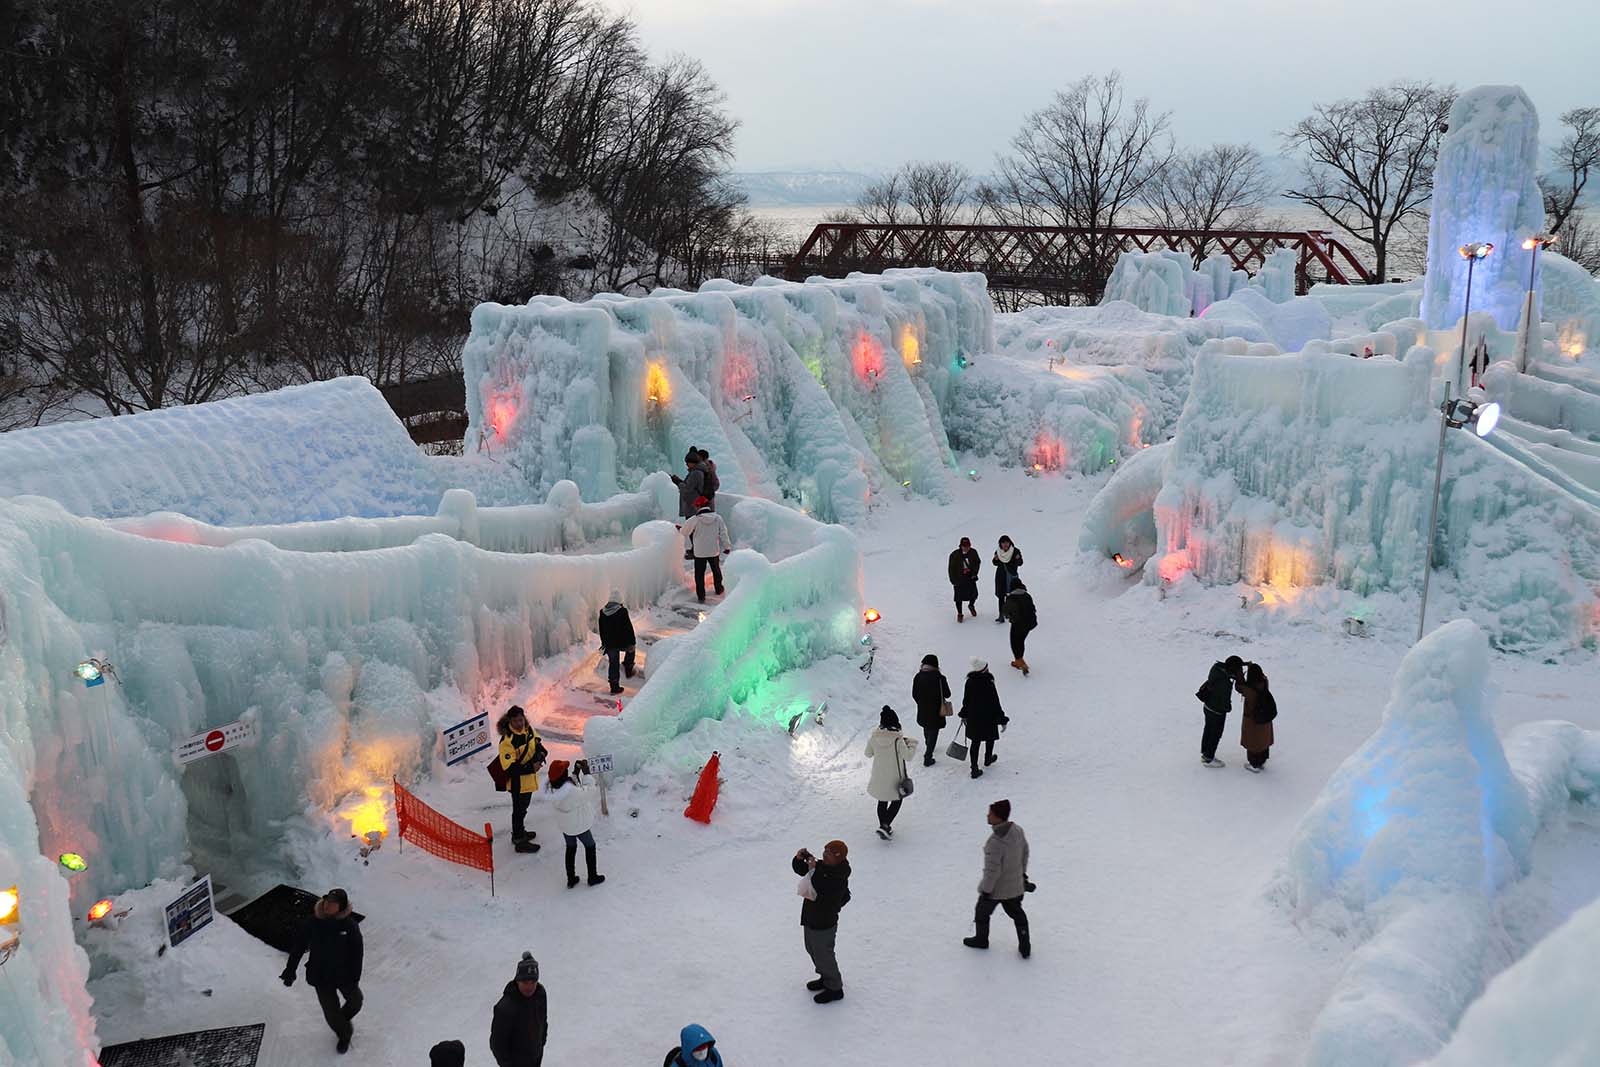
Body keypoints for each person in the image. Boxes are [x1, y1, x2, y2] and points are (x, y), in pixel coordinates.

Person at [281, 888, 364, 1055]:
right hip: (320, 975)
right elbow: (298, 948)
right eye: (327, 901)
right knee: (331, 1012)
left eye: (333, 903)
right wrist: (290, 971)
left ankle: (340, 1021)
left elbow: (357, 952)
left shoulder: (349, 925)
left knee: (356, 1002)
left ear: (341, 907)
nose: (327, 905)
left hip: (344, 975)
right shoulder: (313, 923)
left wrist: (354, 977)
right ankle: (344, 1034)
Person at [962, 799, 1031, 959]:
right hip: (1015, 886)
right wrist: (1022, 874)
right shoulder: (1017, 830)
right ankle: (1025, 946)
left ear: (998, 817)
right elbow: (1025, 852)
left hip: (997, 889)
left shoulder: (995, 843)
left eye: (990, 814)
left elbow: (992, 872)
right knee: (1018, 914)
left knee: (981, 912)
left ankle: (981, 940)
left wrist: (986, 891)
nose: (987, 816)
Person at [791, 839, 851, 1003]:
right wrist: (799, 859)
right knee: (812, 949)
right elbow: (802, 870)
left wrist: (813, 869)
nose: (824, 854)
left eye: (829, 853)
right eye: (824, 850)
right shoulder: (823, 866)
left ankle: (835, 988)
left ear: (837, 857)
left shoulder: (839, 877)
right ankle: (826, 978)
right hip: (811, 917)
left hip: (824, 923)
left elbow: (821, 887)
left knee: (824, 954)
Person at [547, 759, 605, 888]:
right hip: (579, 826)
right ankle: (592, 877)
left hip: (566, 826)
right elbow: (589, 791)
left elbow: (570, 786)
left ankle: (571, 878)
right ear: (563, 776)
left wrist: (575, 773)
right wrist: (587, 774)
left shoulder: (553, 788)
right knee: (590, 846)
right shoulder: (571, 793)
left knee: (571, 848)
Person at [865, 706, 918, 840]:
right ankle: (885, 826)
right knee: (897, 800)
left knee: (882, 801)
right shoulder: (897, 740)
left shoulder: (874, 737)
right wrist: (912, 745)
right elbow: (908, 756)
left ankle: (884, 827)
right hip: (895, 778)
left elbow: (868, 753)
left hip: (878, 776)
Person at [497, 706, 544, 852]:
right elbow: (509, 768)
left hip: (529, 781)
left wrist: (540, 757)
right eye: (516, 721)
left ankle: (520, 831)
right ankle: (518, 839)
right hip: (517, 783)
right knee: (518, 810)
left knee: (523, 808)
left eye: (521, 720)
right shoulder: (507, 741)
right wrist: (531, 767)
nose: (519, 723)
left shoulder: (529, 730)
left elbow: (538, 745)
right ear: (510, 721)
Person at [490, 952, 547, 1067]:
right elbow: (497, 1044)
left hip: (535, 1060)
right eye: (525, 982)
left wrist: (540, 1045)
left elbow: (543, 1021)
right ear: (517, 980)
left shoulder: (540, 995)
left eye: (533, 982)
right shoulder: (505, 1008)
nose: (529, 987)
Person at [959, 658, 1007, 778]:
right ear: (985, 670)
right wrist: (1002, 719)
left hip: (974, 718)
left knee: (975, 743)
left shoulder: (969, 682)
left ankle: (974, 768)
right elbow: (995, 702)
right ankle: (988, 758)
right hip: (989, 717)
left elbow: (966, 701)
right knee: (990, 738)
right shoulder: (989, 682)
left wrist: (964, 714)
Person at [1196, 655, 1245, 768]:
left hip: (1208, 706)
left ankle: (1205, 753)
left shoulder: (1217, 669)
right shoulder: (1224, 683)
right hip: (1217, 711)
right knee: (1215, 734)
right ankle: (1208, 758)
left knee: (1208, 730)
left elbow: (1227, 672)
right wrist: (1228, 708)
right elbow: (1224, 702)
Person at [680, 498, 731, 602]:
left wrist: (680, 528)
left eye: (696, 506)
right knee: (716, 571)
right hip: (713, 551)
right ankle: (719, 589)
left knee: (699, 574)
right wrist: (727, 547)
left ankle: (701, 595)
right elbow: (723, 533)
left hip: (700, 552)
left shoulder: (695, 519)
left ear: (699, 506)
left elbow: (684, 532)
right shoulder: (718, 518)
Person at [911, 653, 951, 767]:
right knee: (934, 730)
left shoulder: (918, 677)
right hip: (936, 710)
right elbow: (947, 694)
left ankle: (928, 744)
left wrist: (921, 703)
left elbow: (914, 694)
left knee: (926, 726)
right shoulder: (940, 678)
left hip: (923, 708)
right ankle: (928, 756)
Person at [1237, 661, 1276, 772]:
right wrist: (1252, 666)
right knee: (1263, 740)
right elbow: (1263, 675)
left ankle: (1254, 765)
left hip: (1253, 721)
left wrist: (1239, 671)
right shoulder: (1264, 682)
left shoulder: (1249, 690)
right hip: (1264, 720)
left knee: (1253, 742)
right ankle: (1262, 761)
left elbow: (1239, 686)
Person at [597, 591, 636, 695]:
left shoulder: (602, 612)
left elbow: (601, 630)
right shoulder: (622, 611)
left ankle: (614, 687)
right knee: (631, 650)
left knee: (613, 663)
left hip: (610, 644)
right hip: (622, 642)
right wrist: (632, 642)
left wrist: (604, 643)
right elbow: (628, 628)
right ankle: (628, 668)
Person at [1006, 579, 1037, 675]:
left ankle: (1019, 662)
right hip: (1029, 624)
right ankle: (1020, 659)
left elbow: (1006, 612)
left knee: (1015, 642)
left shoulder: (1011, 598)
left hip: (1018, 624)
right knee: (1021, 640)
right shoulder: (1027, 595)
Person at [948, 536, 981, 622]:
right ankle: (960, 613)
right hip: (959, 578)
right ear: (961, 546)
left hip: (970, 577)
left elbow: (977, 563)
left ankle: (971, 605)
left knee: (974, 594)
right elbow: (951, 568)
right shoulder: (954, 555)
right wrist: (953, 580)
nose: (966, 548)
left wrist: (974, 573)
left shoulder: (973, 552)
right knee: (958, 597)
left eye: (968, 546)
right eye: (964, 546)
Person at [992, 536, 1023, 622]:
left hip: (1011, 576)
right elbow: (995, 563)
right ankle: (1001, 615)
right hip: (1001, 576)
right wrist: (995, 559)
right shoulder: (998, 552)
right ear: (1000, 544)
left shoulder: (1015, 551)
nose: (1005, 544)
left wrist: (1018, 559)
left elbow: (1020, 563)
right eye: (1003, 542)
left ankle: (1011, 613)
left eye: (1007, 542)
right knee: (1001, 596)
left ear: (1010, 542)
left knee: (1012, 595)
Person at [670, 449, 707, 520]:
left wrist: (678, 482)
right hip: (694, 504)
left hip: (692, 505)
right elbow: (690, 485)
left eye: (687, 462)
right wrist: (679, 481)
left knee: (692, 523)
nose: (686, 464)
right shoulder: (698, 471)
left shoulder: (696, 473)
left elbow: (688, 488)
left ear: (693, 462)